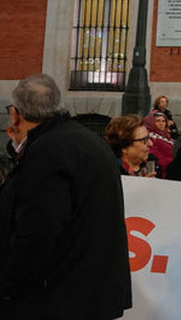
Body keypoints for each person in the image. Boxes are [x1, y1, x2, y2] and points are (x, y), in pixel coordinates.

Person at [0, 74, 131, 319]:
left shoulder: (49, 150)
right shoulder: (87, 141)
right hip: (91, 291)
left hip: (58, 296)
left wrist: (9, 285)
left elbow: (38, 229)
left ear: (16, 113)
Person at [145, 109, 174, 177]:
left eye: (163, 121)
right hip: (162, 172)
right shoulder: (151, 137)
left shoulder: (168, 137)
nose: (161, 124)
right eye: (158, 121)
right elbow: (155, 155)